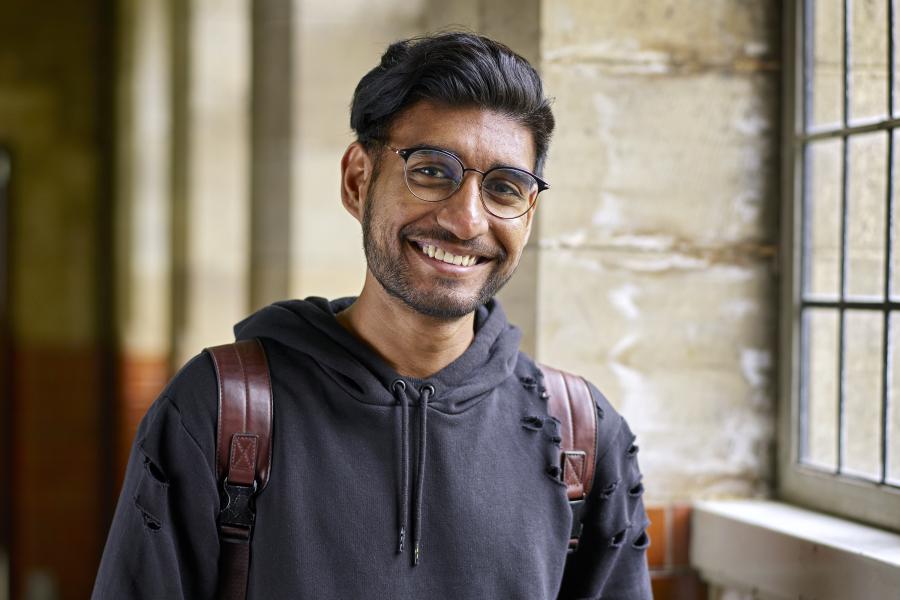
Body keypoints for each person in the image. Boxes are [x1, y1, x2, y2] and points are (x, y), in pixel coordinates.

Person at [93, 32, 652, 599]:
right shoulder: (220, 412)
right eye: (433, 171)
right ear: (358, 180)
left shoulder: (583, 439)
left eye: (505, 188)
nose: (466, 221)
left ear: (528, 216)